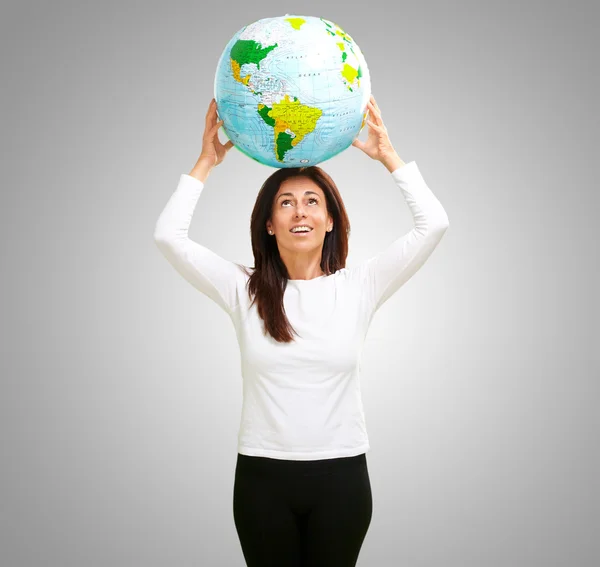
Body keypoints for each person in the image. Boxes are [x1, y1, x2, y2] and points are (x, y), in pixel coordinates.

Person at [153, 95, 449, 567]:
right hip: (261, 481)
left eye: (312, 202)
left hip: (342, 479)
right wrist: (206, 162)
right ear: (269, 225)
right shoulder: (242, 289)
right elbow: (169, 237)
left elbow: (433, 224)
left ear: (330, 221)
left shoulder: (359, 287)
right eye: (286, 203)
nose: (300, 212)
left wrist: (387, 155)